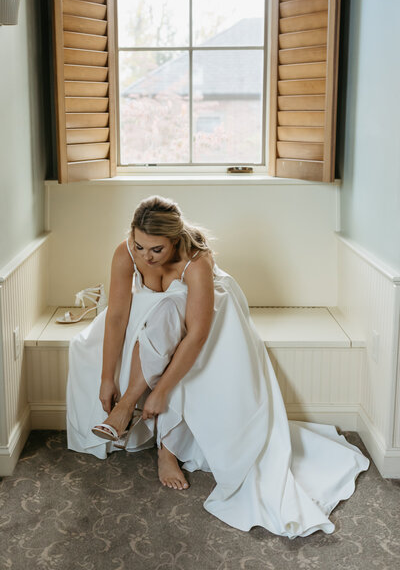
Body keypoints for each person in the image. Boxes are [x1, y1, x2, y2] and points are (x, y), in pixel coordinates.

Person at [67, 195, 369, 538]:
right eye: (139, 246)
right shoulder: (126, 253)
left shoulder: (196, 262)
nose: (144, 257)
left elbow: (196, 335)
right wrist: (107, 377)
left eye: (156, 250)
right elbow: (118, 314)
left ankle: (148, 434)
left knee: (168, 321)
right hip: (150, 319)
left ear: (175, 240)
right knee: (158, 321)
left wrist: (162, 391)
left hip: (208, 316)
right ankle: (125, 410)